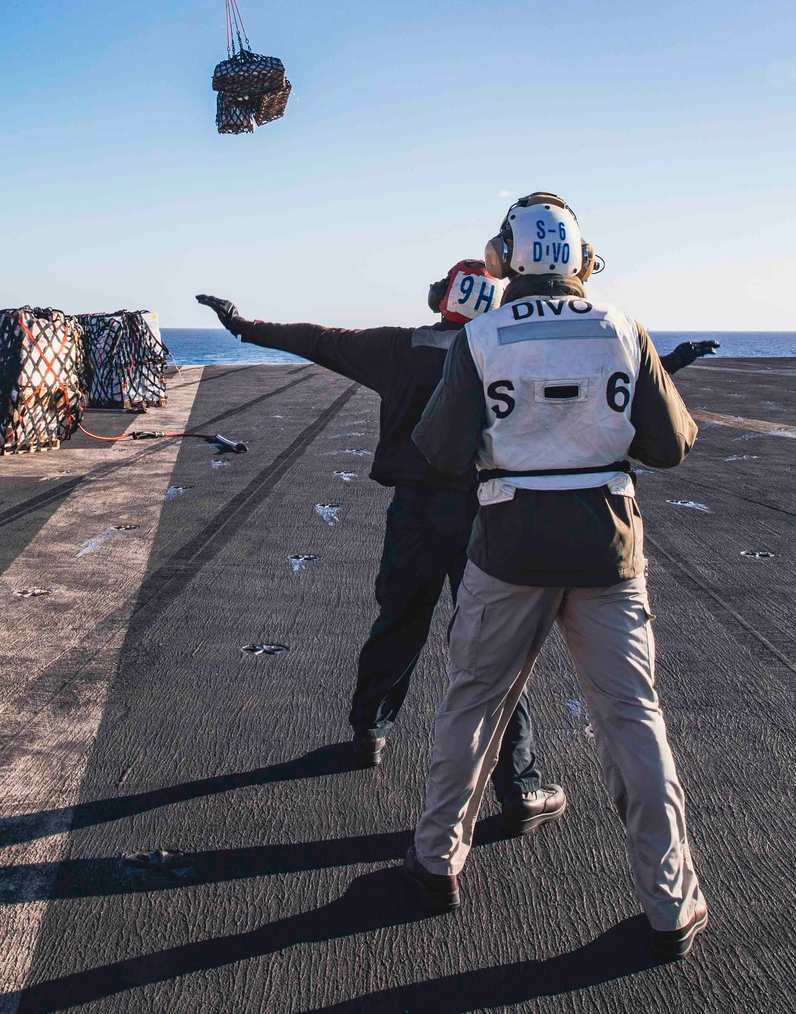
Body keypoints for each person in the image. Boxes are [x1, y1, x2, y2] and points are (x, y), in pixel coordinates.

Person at [403, 192, 708, 964]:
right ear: (582, 258)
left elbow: (439, 449)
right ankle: (671, 903)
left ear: (504, 257)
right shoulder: (623, 327)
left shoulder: (479, 335)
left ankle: (438, 861)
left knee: (474, 701)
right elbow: (670, 446)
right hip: (608, 544)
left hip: (509, 544)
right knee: (633, 718)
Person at [196, 268, 567, 836]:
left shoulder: (400, 347)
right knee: (495, 648)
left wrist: (243, 327)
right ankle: (519, 784)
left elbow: (318, 340)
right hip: (487, 514)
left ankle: (370, 730)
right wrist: (662, 369)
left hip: (415, 512)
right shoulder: (509, 354)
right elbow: (578, 393)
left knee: (398, 620)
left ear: (440, 299)